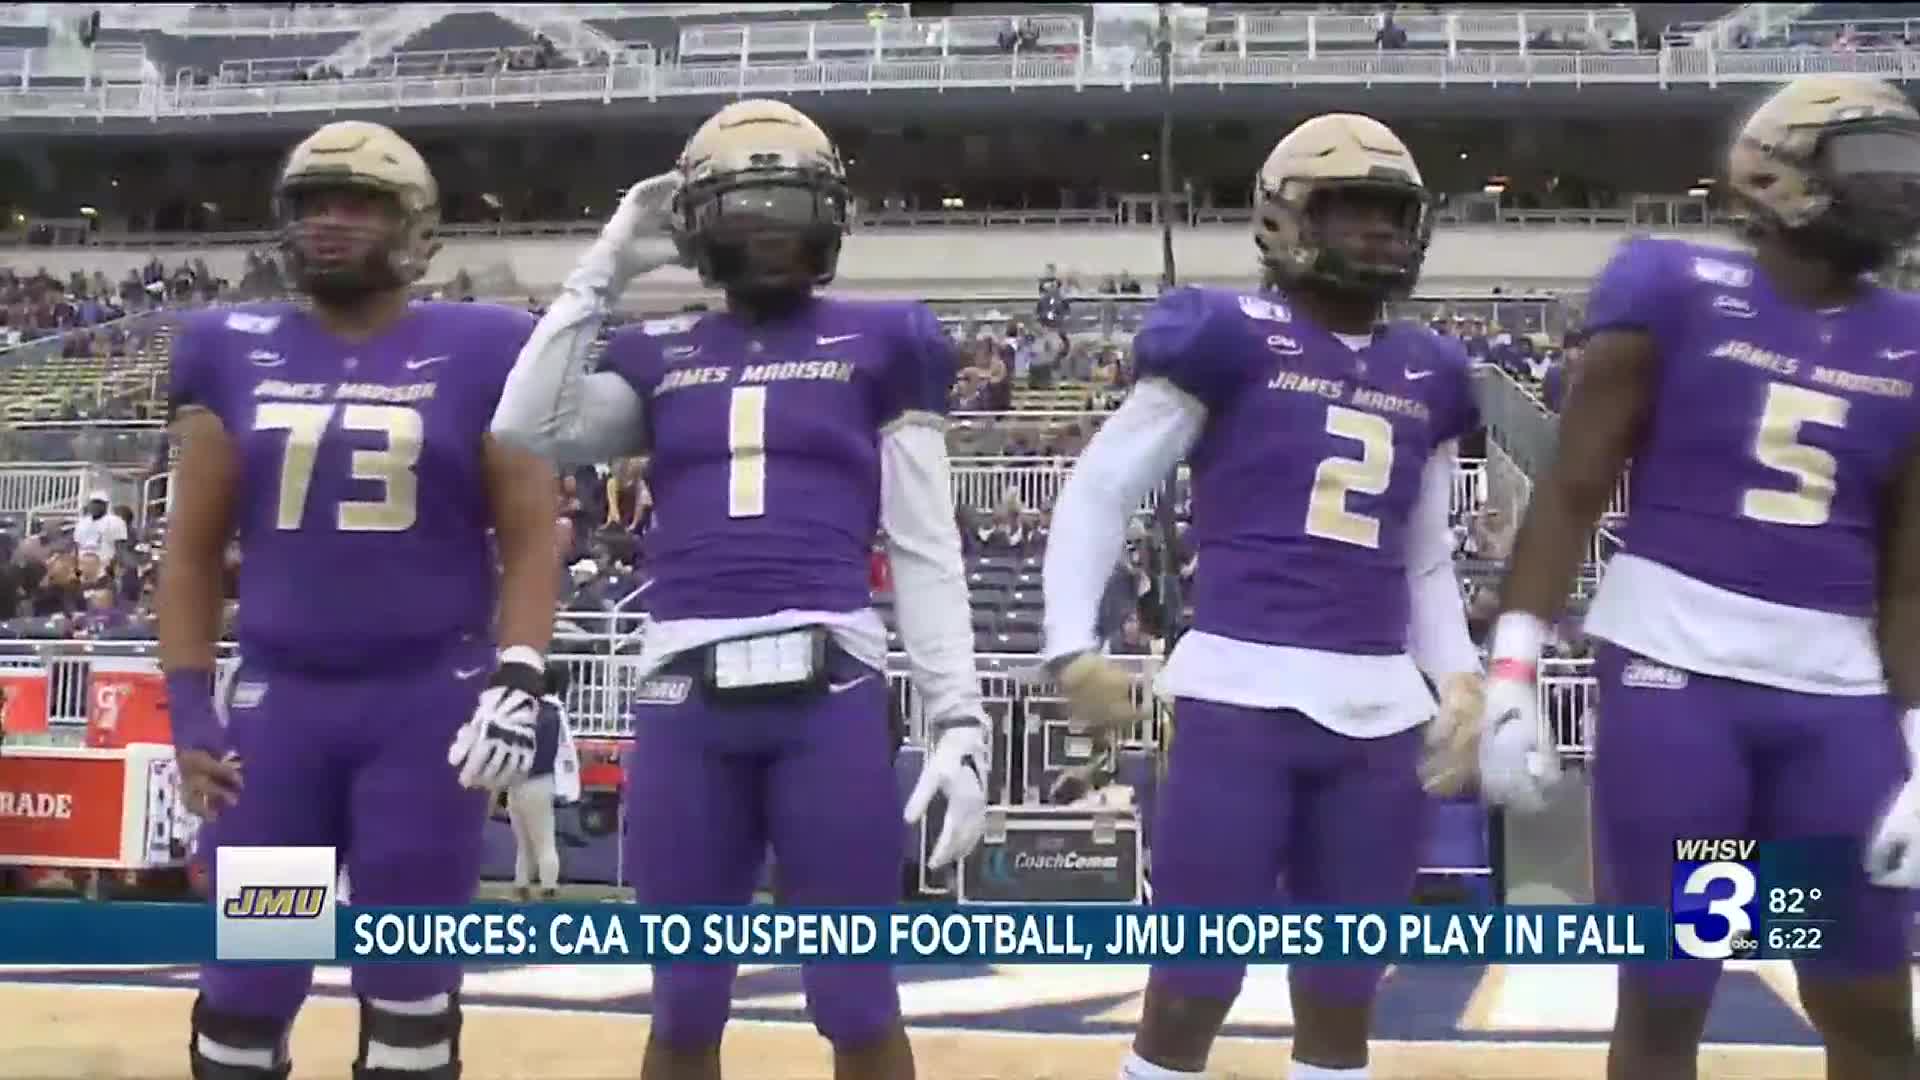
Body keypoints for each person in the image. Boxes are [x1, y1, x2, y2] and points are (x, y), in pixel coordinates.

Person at [487, 98, 990, 1080]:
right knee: (683, 1006)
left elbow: (926, 544)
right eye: (744, 211)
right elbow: (526, 424)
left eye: (787, 208)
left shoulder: (887, 337)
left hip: (830, 686)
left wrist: (960, 716)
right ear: (697, 226)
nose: (768, 232)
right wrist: (606, 267)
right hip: (686, 690)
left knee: (856, 999)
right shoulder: (659, 351)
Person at [1480, 73, 1920, 1080]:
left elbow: (1909, 580)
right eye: (1872, 164)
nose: (1899, 188)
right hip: (1678, 682)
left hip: (1838, 702)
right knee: (1673, 986)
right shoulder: (1673, 284)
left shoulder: (1910, 337)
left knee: (1863, 999)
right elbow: (1573, 487)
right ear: (1777, 172)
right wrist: (1512, 670)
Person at [1040, 113, 1484, 1080]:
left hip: (1378, 715)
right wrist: (1071, 642)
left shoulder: (1434, 371)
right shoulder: (1229, 335)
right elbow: (1103, 487)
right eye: (1351, 209)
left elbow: (1423, 558)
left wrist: (1459, 674)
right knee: (1191, 985)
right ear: (1286, 218)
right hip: (1240, 701)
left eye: (1392, 213)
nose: (1377, 231)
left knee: (1344, 996)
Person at [158, 119, 560, 1080]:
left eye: (358, 205)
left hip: (425, 711)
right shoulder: (228, 345)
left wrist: (519, 675)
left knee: (408, 991)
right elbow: (191, 551)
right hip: (283, 715)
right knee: (250, 988)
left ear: (414, 226)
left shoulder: (487, 344)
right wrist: (188, 708)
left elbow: (532, 532)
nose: (329, 223)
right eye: (312, 205)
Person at [507, 663, 580, 901]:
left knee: (524, 843)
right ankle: (548, 888)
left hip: (516, 781)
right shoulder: (553, 714)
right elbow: (561, 752)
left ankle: (521, 887)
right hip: (539, 781)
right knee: (544, 841)